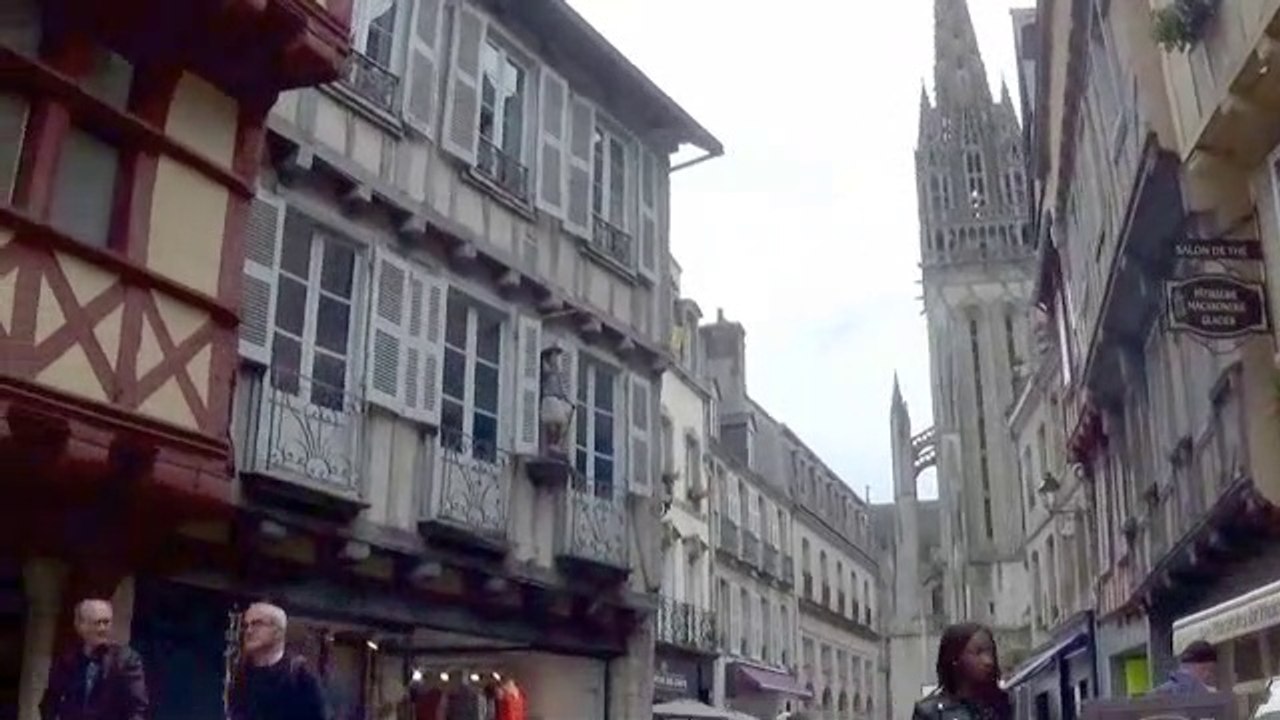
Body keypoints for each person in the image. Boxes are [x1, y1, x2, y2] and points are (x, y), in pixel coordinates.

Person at [39, 598, 149, 720]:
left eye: (106, 622)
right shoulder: (67, 659)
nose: (102, 628)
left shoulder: (126, 660)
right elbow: (50, 702)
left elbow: (138, 708)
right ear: (80, 625)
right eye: (97, 623)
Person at [227, 602, 328, 720]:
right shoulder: (243, 674)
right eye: (246, 625)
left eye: (257, 624)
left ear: (277, 631)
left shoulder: (301, 677)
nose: (249, 631)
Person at [913, 623, 1013, 720]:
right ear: (955, 658)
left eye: (990, 651)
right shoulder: (930, 712)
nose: (988, 661)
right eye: (978, 652)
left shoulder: (1004, 703)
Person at [1152, 640, 1219, 695]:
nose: (1207, 674)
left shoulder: (1159, 692)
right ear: (1188, 667)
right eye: (1203, 669)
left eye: (1211, 670)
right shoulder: (1198, 693)